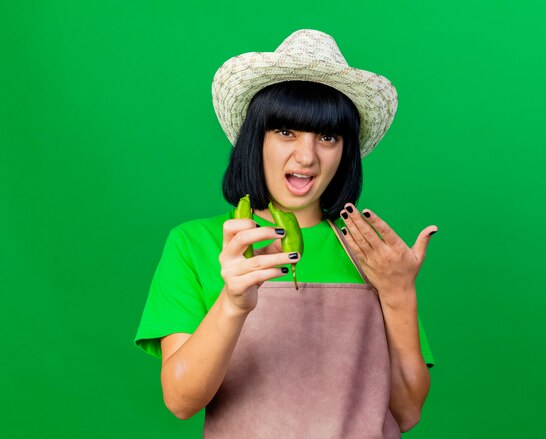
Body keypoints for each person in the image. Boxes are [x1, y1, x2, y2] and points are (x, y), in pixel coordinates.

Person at [134, 29, 438, 438]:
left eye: (328, 137)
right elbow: (181, 400)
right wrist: (234, 303)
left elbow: (406, 412)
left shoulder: (373, 253)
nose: (307, 156)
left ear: (345, 151)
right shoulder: (196, 244)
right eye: (286, 132)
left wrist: (400, 295)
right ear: (254, 140)